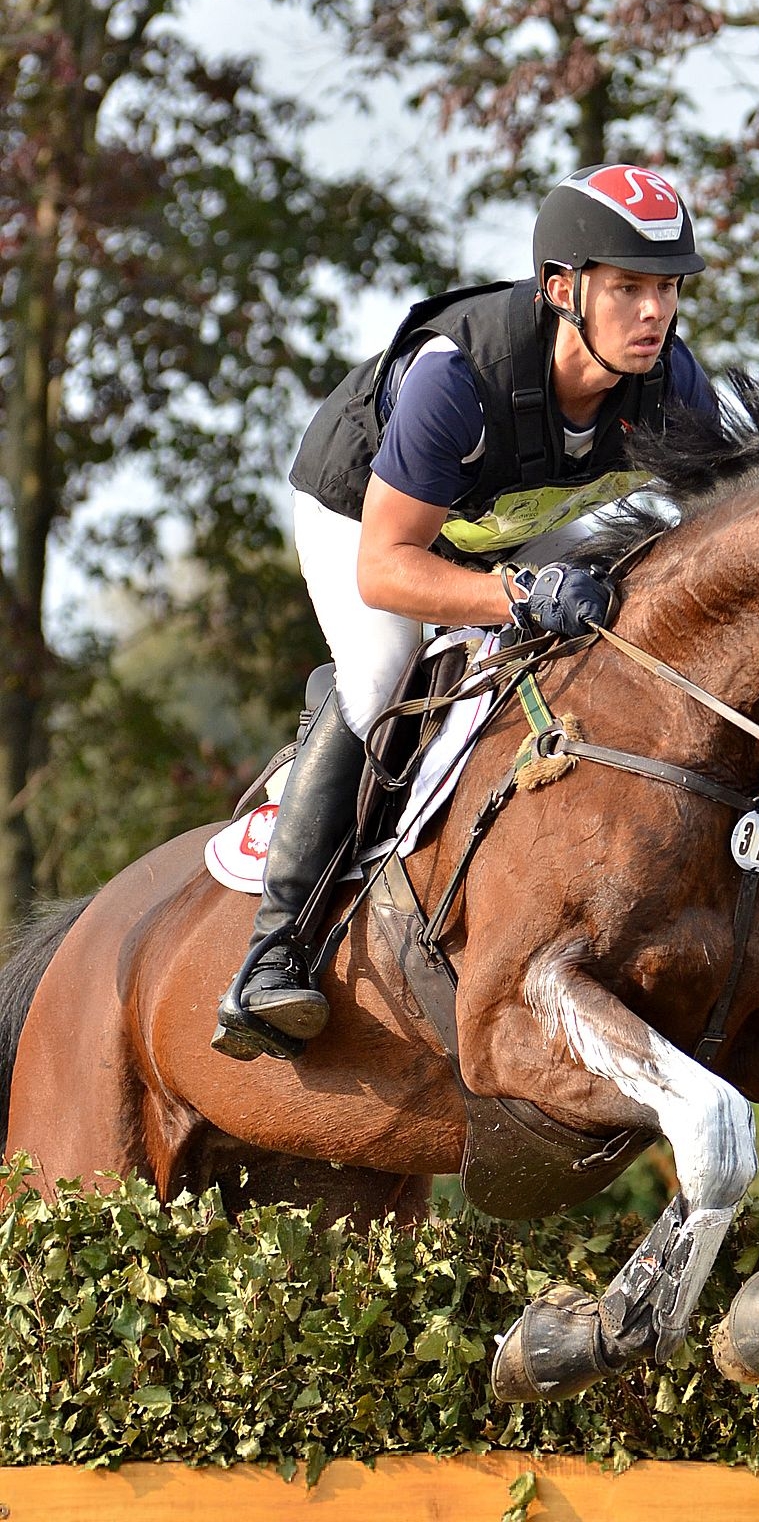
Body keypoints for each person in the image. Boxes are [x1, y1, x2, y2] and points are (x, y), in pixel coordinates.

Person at [213, 163, 717, 1060]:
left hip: (505, 521)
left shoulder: (674, 389)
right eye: (630, 287)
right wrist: (518, 596)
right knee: (380, 674)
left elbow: (713, 546)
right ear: (562, 289)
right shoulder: (458, 378)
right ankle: (270, 955)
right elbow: (389, 568)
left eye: (668, 288)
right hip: (369, 518)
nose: (656, 312)